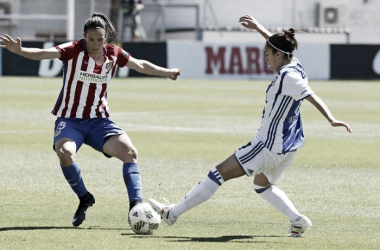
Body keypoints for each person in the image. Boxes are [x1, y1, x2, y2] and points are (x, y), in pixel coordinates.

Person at [149, 14, 352, 237]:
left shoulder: (288, 76)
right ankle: (298, 221)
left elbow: (312, 96)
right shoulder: (294, 63)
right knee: (262, 184)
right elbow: (276, 45)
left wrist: (331, 119)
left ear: (278, 54)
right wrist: (258, 28)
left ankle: (172, 213)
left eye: (267, 55)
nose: (265, 59)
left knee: (217, 174)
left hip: (267, 146)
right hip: (288, 147)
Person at [0, 13, 180, 227]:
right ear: (84, 36)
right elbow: (42, 53)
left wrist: (167, 73)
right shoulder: (72, 50)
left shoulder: (114, 54)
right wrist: (20, 51)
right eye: (91, 39)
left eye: (100, 39)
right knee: (65, 153)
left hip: (99, 122)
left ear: (106, 38)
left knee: (130, 153)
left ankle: (136, 207)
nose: (95, 44)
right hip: (70, 119)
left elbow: (140, 64)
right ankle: (85, 197)